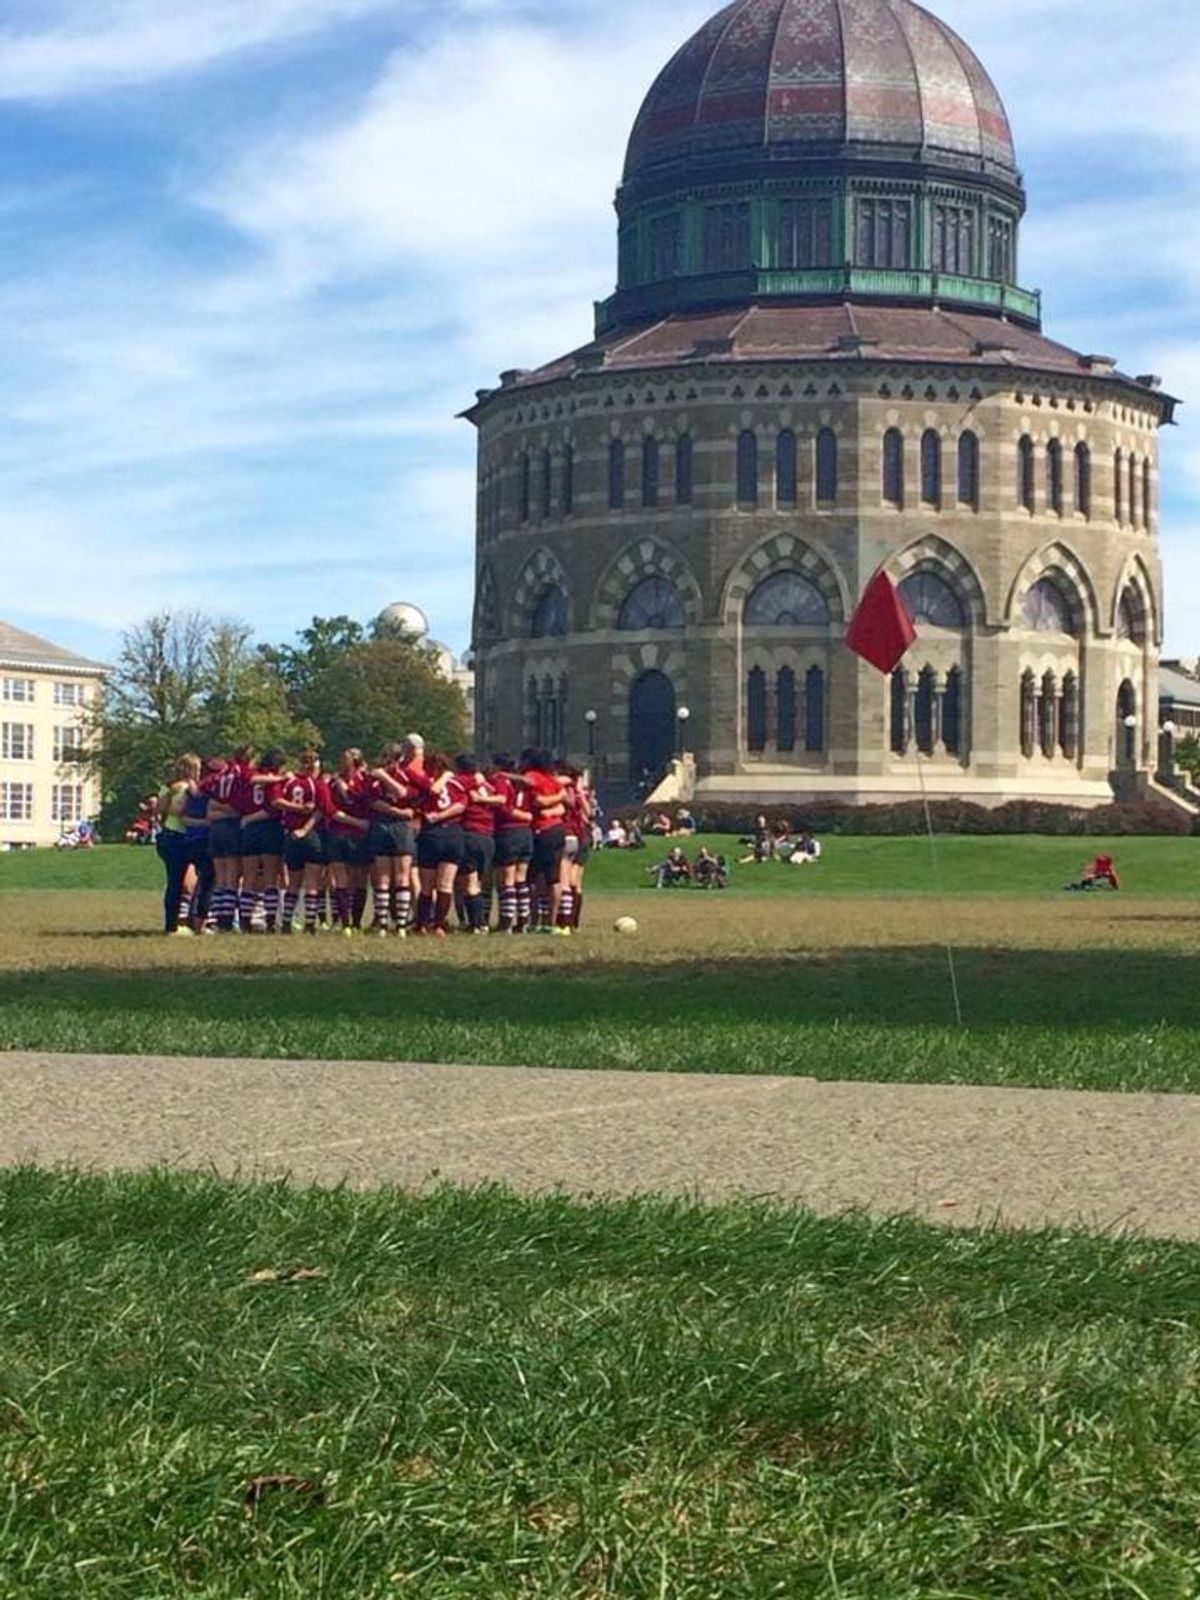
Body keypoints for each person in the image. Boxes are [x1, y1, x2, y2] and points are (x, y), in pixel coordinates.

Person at [367, 743, 419, 937]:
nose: (385, 762)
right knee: (383, 877)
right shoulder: (374, 778)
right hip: (383, 825)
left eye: (389, 758)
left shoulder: (405, 775)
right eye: (384, 757)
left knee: (402, 875)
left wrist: (385, 777)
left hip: (402, 828)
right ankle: (382, 923)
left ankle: (402, 924)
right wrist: (397, 811)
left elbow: (403, 793)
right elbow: (374, 802)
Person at [413, 753, 467, 936]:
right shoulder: (456, 783)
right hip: (453, 833)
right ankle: (439, 925)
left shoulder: (425, 783)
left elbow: (420, 801)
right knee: (445, 884)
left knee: (427, 885)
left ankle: (421, 924)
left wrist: (436, 816)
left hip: (432, 834)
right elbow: (461, 805)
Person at [276, 749, 327, 934]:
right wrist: (305, 828)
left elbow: (277, 801)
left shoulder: (289, 782)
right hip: (311, 835)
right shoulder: (317, 785)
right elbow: (321, 810)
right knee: (312, 881)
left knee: (293, 882)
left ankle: (287, 922)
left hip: (291, 834)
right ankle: (310, 923)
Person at [521, 748, 569, 933]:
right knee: (553, 878)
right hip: (557, 829)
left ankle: (534, 920)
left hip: (540, 829)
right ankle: (552, 921)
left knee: (532, 878)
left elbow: (538, 802)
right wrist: (558, 798)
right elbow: (562, 804)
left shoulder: (532, 776)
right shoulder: (553, 780)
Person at [240, 750, 288, 932]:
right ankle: (270, 920)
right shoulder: (274, 781)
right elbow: (273, 808)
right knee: (270, 877)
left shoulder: (253, 779)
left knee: (249, 877)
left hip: (250, 830)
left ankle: (245, 919)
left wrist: (248, 818)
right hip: (270, 828)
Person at [156, 755, 204, 936]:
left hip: (168, 834)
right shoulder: (187, 789)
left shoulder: (167, 787)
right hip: (184, 836)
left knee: (173, 883)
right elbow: (181, 810)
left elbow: (160, 810)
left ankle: (171, 924)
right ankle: (197, 919)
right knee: (204, 878)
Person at [326, 748, 372, 933]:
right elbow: (329, 807)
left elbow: (359, 799)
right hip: (338, 833)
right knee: (340, 877)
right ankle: (345, 923)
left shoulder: (365, 780)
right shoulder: (334, 782)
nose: (343, 762)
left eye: (347, 759)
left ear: (356, 761)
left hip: (359, 836)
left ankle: (357, 921)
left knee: (360, 878)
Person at [490, 753, 534, 933]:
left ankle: (506, 921)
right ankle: (523, 919)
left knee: (506, 879)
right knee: (520, 879)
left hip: (508, 832)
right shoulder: (524, 783)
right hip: (526, 832)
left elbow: (503, 807)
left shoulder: (501, 781)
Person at [456, 754, 501, 933]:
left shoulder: (464, 782)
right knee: (480, 882)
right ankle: (481, 921)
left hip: (471, 833)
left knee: (470, 884)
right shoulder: (487, 787)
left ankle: (477, 924)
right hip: (488, 836)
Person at [202, 754, 244, 932]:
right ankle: (228, 919)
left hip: (216, 830)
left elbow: (210, 810)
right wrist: (230, 812)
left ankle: (219, 917)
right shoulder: (236, 779)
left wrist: (219, 809)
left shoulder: (214, 782)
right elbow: (237, 809)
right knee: (232, 876)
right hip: (232, 829)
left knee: (221, 876)